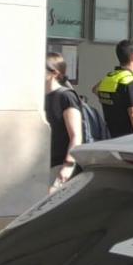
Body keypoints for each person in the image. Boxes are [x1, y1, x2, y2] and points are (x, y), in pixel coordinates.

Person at [45, 52, 83, 190]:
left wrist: (67, 166)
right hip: (44, 164)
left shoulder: (66, 96)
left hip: (60, 165)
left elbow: (76, 136)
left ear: (54, 73)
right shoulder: (39, 96)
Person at [95, 39, 133, 139]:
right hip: (130, 139)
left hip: (112, 136)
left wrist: (116, 101)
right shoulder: (132, 81)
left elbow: (95, 90)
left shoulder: (110, 77)